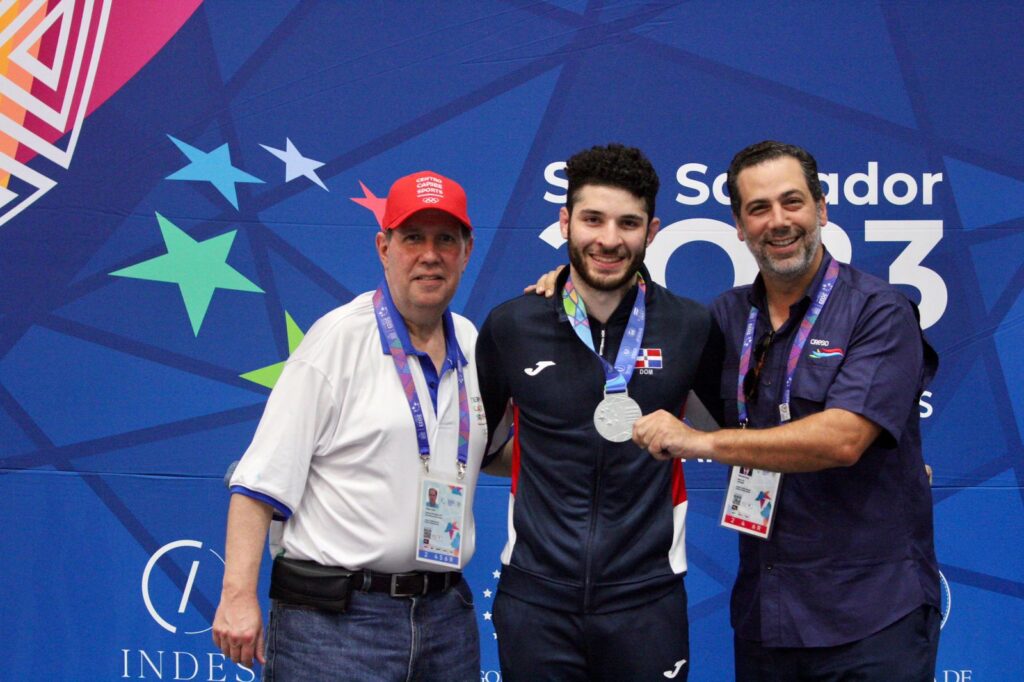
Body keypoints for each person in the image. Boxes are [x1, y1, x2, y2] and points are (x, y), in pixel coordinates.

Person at [632, 140, 941, 680]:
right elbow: (629, 337)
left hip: (872, 618)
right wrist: (561, 289)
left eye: (792, 202)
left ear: (821, 209)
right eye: (759, 208)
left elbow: (843, 439)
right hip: (766, 616)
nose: (778, 221)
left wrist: (701, 443)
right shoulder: (724, 318)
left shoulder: (879, 310)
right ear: (739, 224)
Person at [212, 170, 488, 681]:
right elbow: (258, 484)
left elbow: (503, 451)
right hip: (335, 625)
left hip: (444, 621)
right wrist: (236, 597)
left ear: (467, 251)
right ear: (383, 247)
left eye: (446, 239)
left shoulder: (473, 344)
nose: (430, 254)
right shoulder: (335, 342)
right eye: (412, 238)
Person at [476, 143, 720, 681]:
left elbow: (742, 432)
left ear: (652, 231)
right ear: (565, 222)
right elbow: (481, 449)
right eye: (592, 219)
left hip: (647, 600)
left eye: (628, 223)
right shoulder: (512, 326)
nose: (609, 240)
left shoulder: (691, 327)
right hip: (536, 600)